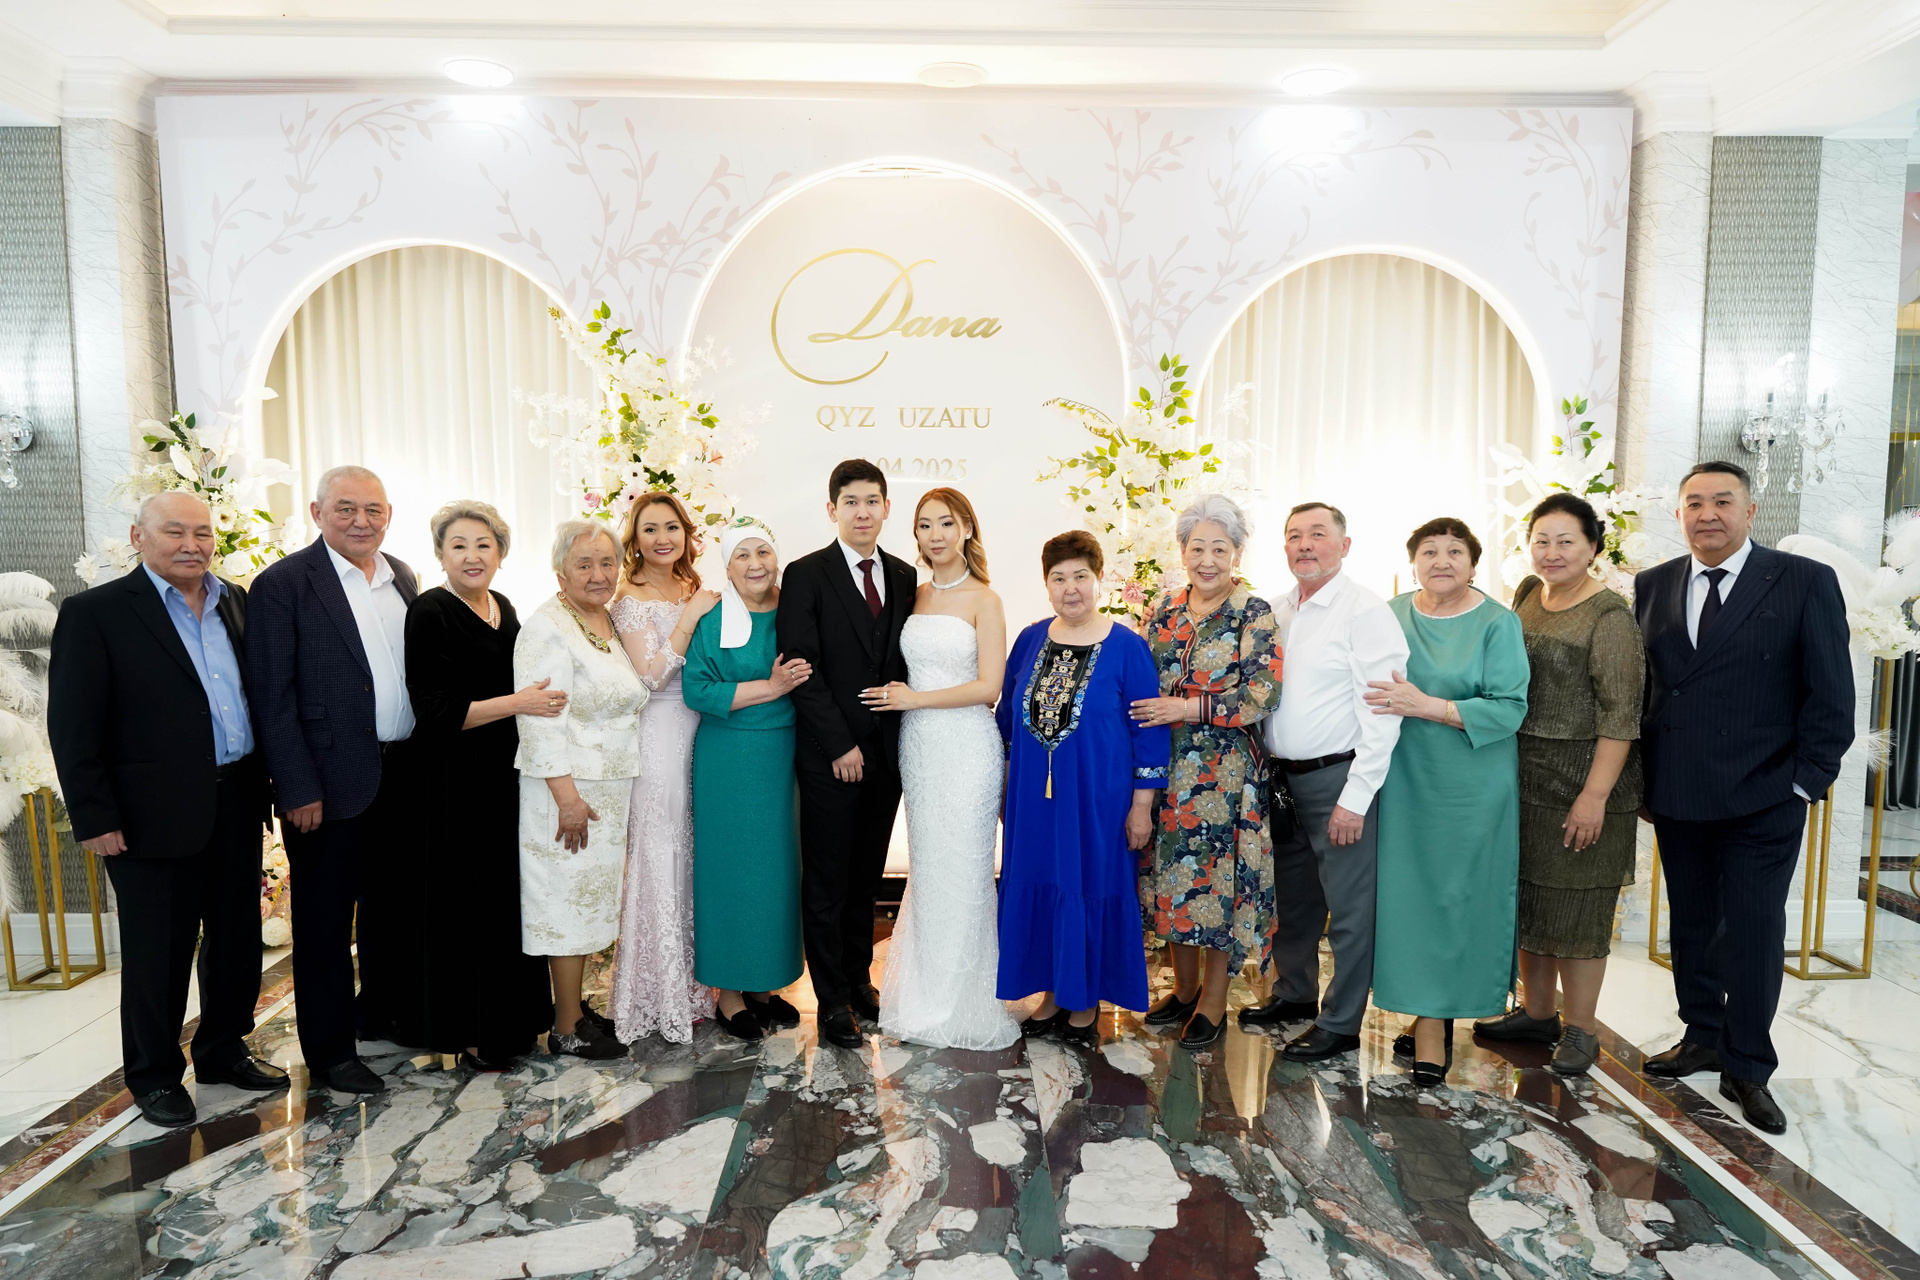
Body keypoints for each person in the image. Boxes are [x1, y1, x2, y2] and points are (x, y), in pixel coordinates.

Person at [47, 492, 285, 1127]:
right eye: (175, 532)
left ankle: (223, 1049)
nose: (191, 544)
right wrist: (95, 817)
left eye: (202, 533)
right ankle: (153, 1077)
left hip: (235, 798)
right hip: (147, 815)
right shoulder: (96, 612)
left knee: (236, 941)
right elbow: (72, 724)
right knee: (159, 952)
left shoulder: (234, 600)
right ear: (138, 537)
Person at [1633, 460, 1851, 1134]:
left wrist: (1804, 782)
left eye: (1723, 501)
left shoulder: (1803, 580)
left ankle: (1749, 1064)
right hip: (1679, 790)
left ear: (1751, 512)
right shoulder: (1653, 584)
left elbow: (1832, 693)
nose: (1708, 514)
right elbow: (1647, 690)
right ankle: (1701, 1034)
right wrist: (1643, 779)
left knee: (1755, 931)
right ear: (1678, 515)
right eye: (1694, 503)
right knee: (1693, 923)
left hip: (1765, 793)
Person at [246, 465, 419, 1094]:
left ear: (389, 515)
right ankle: (330, 1052)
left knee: (391, 910)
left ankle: (382, 1014)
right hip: (327, 783)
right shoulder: (284, 584)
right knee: (324, 925)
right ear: (317, 513)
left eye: (373, 510)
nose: (360, 521)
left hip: (401, 774)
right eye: (346, 508)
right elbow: (272, 697)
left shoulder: (403, 576)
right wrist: (297, 787)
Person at [1473, 493, 1645, 1076]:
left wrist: (1594, 797)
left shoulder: (1610, 617)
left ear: (1593, 546)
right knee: (1531, 900)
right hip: (1524, 779)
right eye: (1541, 540)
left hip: (1585, 786)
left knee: (1578, 911)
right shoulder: (1527, 594)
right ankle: (1538, 1013)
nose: (1551, 552)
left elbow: (1622, 716)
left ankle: (1582, 1029)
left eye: (1566, 541)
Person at [1240, 502, 1409, 1064]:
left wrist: (1355, 799)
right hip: (1281, 780)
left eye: (1318, 534)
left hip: (1339, 778)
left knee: (1349, 909)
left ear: (1345, 544)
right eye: (1294, 536)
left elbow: (1384, 710)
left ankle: (1341, 1022)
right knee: (1293, 901)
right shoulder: (1275, 609)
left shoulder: (1365, 611)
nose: (1305, 544)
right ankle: (1294, 993)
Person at [1366, 517, 1529, 1085]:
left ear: (1473, 564)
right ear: (1413, 562)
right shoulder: (1389, 614)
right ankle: (1423, 1010)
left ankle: (1435, 1025)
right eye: (1429, 551)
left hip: (1471, 782)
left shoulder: (1497, 622)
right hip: (1403, 777)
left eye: (1454, 551)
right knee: (1409, 900)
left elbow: (1510, 708)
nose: (1441, 561)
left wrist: (1428, 706)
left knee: (1458, 897)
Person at [997, 531, 1169, 1047]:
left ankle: (1085, 1000)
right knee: (1041, 883)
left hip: (1099, 803)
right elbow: (1006, 720)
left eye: (1080, 576)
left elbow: (1148, 732)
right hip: (1035, 802)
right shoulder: (1030, 640)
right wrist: (1005, 788)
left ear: (1098, 580)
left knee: (1088, 885)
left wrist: (1142, 806)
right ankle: (1051, 994)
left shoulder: (1127, 647)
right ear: (1046, 583)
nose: (1070, 588)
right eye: (1058, 578)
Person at [863, 488, 1019, 1051]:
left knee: (966, 870)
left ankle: (963, 1004)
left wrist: (915, 700)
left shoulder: (985, 599)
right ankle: (922, 999)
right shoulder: (914, 593)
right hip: (920, 748)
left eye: (946, 523)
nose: (935, 535)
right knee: (929, 871)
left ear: (967, 529)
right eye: (925, 525)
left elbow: (989, 687)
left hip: (967, 747)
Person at [403, 501, 558, 1070]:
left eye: (483, 545)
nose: (472, 556)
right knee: (464, 900)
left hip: (504, 772)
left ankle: (514, 1020)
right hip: (453, 776)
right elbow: (435, 711)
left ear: (500, 553)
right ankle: (470, 1033)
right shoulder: (429, 610)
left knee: (505, 896)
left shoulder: (503, 607)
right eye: (459, 545)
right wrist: (518, 704)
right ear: (440, 554)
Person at [1132, 495, 1284, 1050]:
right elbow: (1139, 682)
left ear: (1237, 553)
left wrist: (1189, 707)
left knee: (1218, 888)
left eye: (1220, 549)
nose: (1207, 560)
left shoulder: (1252, 612)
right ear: (1182, 552)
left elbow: (1263, 694)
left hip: (1225, 775)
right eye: (1197, 548)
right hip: (1165, 768)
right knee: (1171, 879)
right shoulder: (1163, 611)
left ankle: (1214, 1003)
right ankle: (1184, 989)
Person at [776, 459, 916, 1049]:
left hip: (888, 754)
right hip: (830, 754)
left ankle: (859, 983)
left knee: (865, 879)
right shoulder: (805, 574)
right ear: (832, 509)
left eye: (872, 501)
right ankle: (831, 1000)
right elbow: (799, 667)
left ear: (886, 508)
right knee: (828, 881)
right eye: (851, 502)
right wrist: (840, 744)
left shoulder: (905, 575)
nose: (863, 512)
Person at [514, 520, 649, 1060]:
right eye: (584, 564)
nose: (598, 574)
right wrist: (567, 799)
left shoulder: (604, 619)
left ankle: (574, 1008)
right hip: (567, 791)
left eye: (607, 562)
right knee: (564, 904)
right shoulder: (546, 628)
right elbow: (539, 720)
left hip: (608, 787)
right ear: (560, 572)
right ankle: (565, 1027)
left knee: (591, 904)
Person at [683, 516, 813, 1040]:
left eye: (763, 552)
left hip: (783, 754)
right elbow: (697, 690)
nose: (755, 564)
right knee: (730, 871)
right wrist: (772, 687)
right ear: (728, 566)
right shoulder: (713, 617)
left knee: (778, 870)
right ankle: (730, 993)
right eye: (743, 555)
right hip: (728, 758)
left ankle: (764, 984)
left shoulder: (797, 610)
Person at [609, 492, 722, 1045]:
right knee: (660, 854)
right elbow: (650, 676)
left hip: (705, 730)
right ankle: (655, 993)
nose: (662, 538)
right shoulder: (627, 597)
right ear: (634, 538)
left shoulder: (691, 584)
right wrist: (691, 616)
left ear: (686, 533)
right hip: (657, 734)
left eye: (671, 527)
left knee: (695, 857)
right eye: (650, 529)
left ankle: (698, 988)